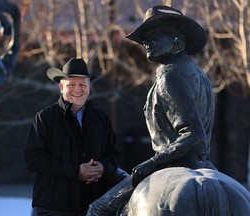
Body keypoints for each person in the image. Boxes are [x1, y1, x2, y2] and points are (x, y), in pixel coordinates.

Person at [86, 5, 217, 216]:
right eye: (144, 36)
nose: (146, 41)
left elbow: (194, 136)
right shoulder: (200, 75)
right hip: (206, 166)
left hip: (173, 166)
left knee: (97, 209)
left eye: (153, 34)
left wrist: (150, 164)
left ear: (177, 38)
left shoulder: (170, 76)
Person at [25, 58, 128, 216]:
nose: (77, 90)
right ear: (61, 87)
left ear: (89, 87)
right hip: (54, 208)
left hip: (94, 207)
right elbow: (34, 160)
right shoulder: (44, 118)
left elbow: (114, 154)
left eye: (82, 84)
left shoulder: (100, 119)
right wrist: (75, 172)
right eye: (71, 84)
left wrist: (103, 168)